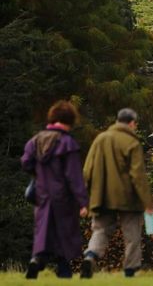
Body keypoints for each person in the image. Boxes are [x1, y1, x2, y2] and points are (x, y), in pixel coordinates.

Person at [81, 108, 153, 279]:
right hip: (128, 198)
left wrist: (84, 198)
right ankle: (130, 270)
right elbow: (138, 176)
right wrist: (147, 203)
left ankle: (91, 256)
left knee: (100, 230)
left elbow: (87, 171)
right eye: (135, 124)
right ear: (131, 123)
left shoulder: (100, 139)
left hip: (101, 196)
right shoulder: (132, 142)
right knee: (132, 235)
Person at [21, 100, 89, 279]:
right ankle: (64, 272)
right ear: (70, 120)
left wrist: (39, 175)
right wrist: (83, 202)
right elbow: (74, 177)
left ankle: (37, 260)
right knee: (65, 234)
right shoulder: (67, 143)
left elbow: (26, 162)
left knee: (44, 231)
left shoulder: (35, 141)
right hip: (64, 197)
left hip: (42, 194)